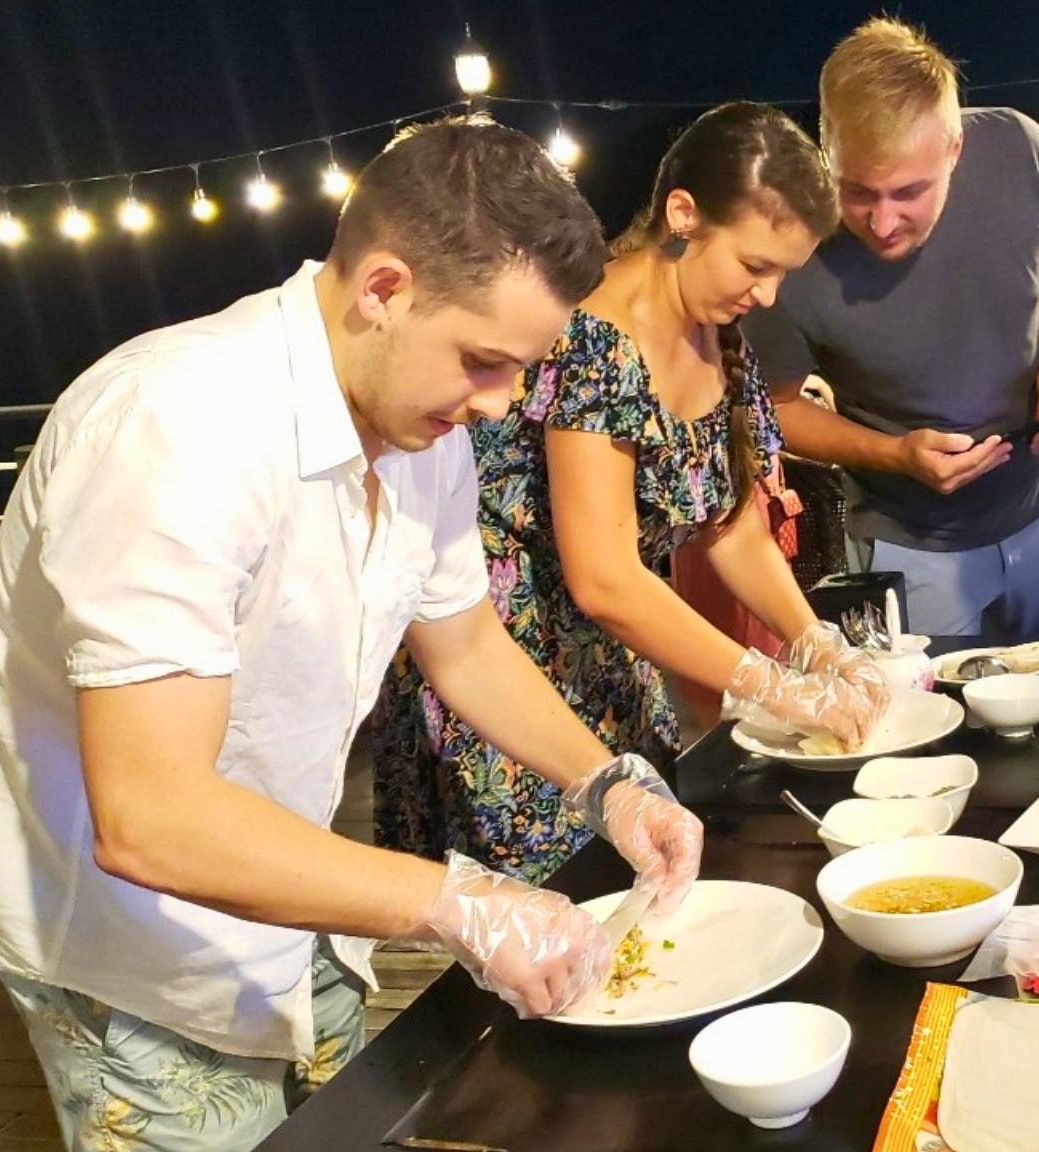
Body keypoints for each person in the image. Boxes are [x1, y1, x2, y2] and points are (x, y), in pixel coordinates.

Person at [0, 118, 705, 1152]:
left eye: (520, 370)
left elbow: (465, 643)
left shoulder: (417, 419)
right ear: (383, 289)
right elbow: (150, 816)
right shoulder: (176, 428)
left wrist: (608, 783)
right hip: (119, 940)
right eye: (485, 361)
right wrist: (458, 899)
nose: (501, 404)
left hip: (288, 880)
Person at [371, 103, 886, 884]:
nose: (771, 295)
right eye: (755, 265)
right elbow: (604, 577)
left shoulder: (722, 335)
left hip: (615, 659)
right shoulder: (594, 337)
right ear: (683, 214)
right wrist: (769, 683)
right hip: (509, 659)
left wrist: (816, 641)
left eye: (786, 272)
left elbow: (732, 529)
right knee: (557, 918)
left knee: (646, 887)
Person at [743, 16, 1039, 638]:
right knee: (931, 729)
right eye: (856, 192)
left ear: (955, 148)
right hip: (904, 542)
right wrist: (893, 455)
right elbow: (774, 409)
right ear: (825, 149)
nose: (882, 223)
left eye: (909, 192)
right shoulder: (786, 240)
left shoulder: (1019, 146)